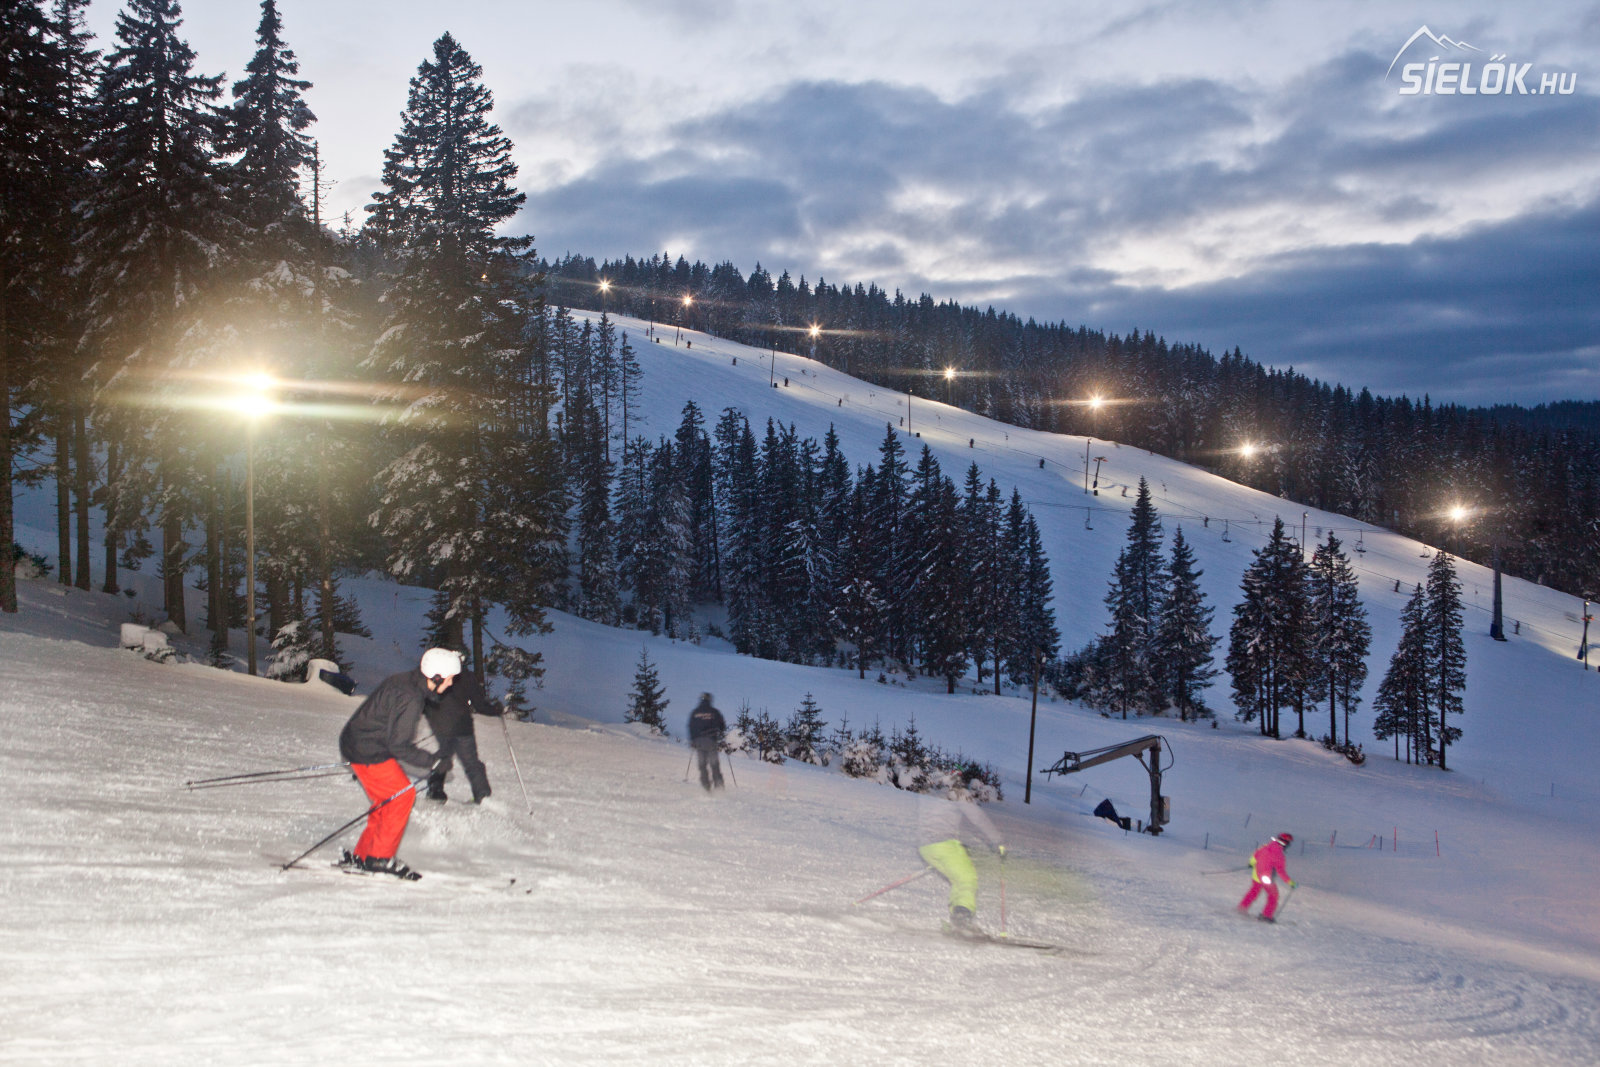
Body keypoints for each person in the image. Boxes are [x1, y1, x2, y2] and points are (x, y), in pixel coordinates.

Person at [335, 648, 458, 879]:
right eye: (450, 678)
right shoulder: (411, 697)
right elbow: (399, 745)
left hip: (360, 742)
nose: (451, 684)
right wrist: (433, 762)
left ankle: (365, 854)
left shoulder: (405, 682)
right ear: (437, 677)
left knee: (387, 799)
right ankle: (379, 858)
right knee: (402, 796)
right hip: (368, 749)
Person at [917, 773, 1005, 932]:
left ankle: (957, 918)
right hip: (944, 844)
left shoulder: (931, 790)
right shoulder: (958, 792)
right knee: (967, 879)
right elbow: (978, 817)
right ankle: (962, 920)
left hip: (925, 847)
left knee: (958, 879)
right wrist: (998, 841)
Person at [420, 653, 503, 804]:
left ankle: (435, 790)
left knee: (445, 754)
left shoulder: (437, 675)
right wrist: (495, 710)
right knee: (470, 760)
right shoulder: (467, 677)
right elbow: (480, 704)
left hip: (443, 724)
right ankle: (482, 795)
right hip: (462, 726)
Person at [1237, 832, 1296, 922]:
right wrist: (1290, 882)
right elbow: (1281, 871)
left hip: (1256, 874)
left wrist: (1251, 863)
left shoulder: (1266, 846)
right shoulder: (1279, 855)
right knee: (1273, 895)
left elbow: (1255, 855)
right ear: (1285, 843)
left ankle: (1242, 908)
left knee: (1254, 891)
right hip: (1266, 878)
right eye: (1288, 843)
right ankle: (1266, 915)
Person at [687, 693, 726, 792]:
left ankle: (706, 787)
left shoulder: (695, 712)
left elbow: (691, 726)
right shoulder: (714, 712)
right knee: (714, 765)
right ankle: (719, 787)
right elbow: (722, 726)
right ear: (710, 700)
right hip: (711, 741)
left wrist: (693, 740)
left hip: (699, 742)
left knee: (702, 765)